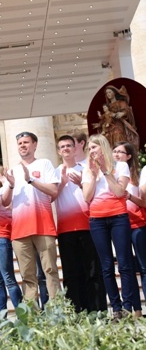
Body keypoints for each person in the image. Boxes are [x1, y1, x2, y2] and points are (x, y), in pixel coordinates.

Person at [82, 134, 141, 319]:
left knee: (124, 264)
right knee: (106, 266)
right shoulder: (87, 169)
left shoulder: (119, 165)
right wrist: (92, 175)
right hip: (97, 219)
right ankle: (116, 309)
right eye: (89, 149)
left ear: (103, 147)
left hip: (118, 217)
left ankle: (128, 306)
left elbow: (119, 192)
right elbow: (86, 197)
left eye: (94, 147)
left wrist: (106, 171)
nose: (92, 151)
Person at [0, 131, 60, 304]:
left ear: (35, 145)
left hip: (43, 225)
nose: (23, 146)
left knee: (50, 270)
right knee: (27, 275)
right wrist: (10, 185)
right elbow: (5, 202)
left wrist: (31, 179)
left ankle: (57, 311)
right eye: (20, 143)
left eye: (26, 142)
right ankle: (31, 316)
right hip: (20, 230)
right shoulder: (13, 170)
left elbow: (53, 191)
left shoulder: (44, 164)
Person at [53, 135, 106, 312]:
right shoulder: (55, 172)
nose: (66, 148)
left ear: (76, 148)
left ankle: (98, 309)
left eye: (69, 145)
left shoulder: (86, 169)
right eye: (63, 146)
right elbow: (50, 198)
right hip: (66, 228)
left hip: (88, 224)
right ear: (59, 150)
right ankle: (76, 310)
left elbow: (91, 194)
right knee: (70, 272)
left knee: (92, 269)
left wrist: (79, 183)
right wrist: (61, 184)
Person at [112, 141, 146, 307]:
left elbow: (144, 203)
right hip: (119, 226)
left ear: (129, 156)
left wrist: (129, 196)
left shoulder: (137, 177)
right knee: (127, 269)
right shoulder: (110, 175)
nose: (116, 154)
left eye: (120, 152)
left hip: (138, 225)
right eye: (115, 151)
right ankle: (136, 309)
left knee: (144, 267)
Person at [0, 165, 22, 313]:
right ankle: (1, 316)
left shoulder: (2, 192)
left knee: (8, 278)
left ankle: (22, 314)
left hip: (2, 238)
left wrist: (7, 182)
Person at [101, 85, 139, 152]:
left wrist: (122, 113)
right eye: (107, 93)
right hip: (110, 126)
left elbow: (127, 111)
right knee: (108, 139)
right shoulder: (108, 106)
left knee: (118, 136)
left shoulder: (121, 102)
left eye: (109, 92)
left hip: (119, 124)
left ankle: (121, 152)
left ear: (114, 93)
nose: (108, 94)